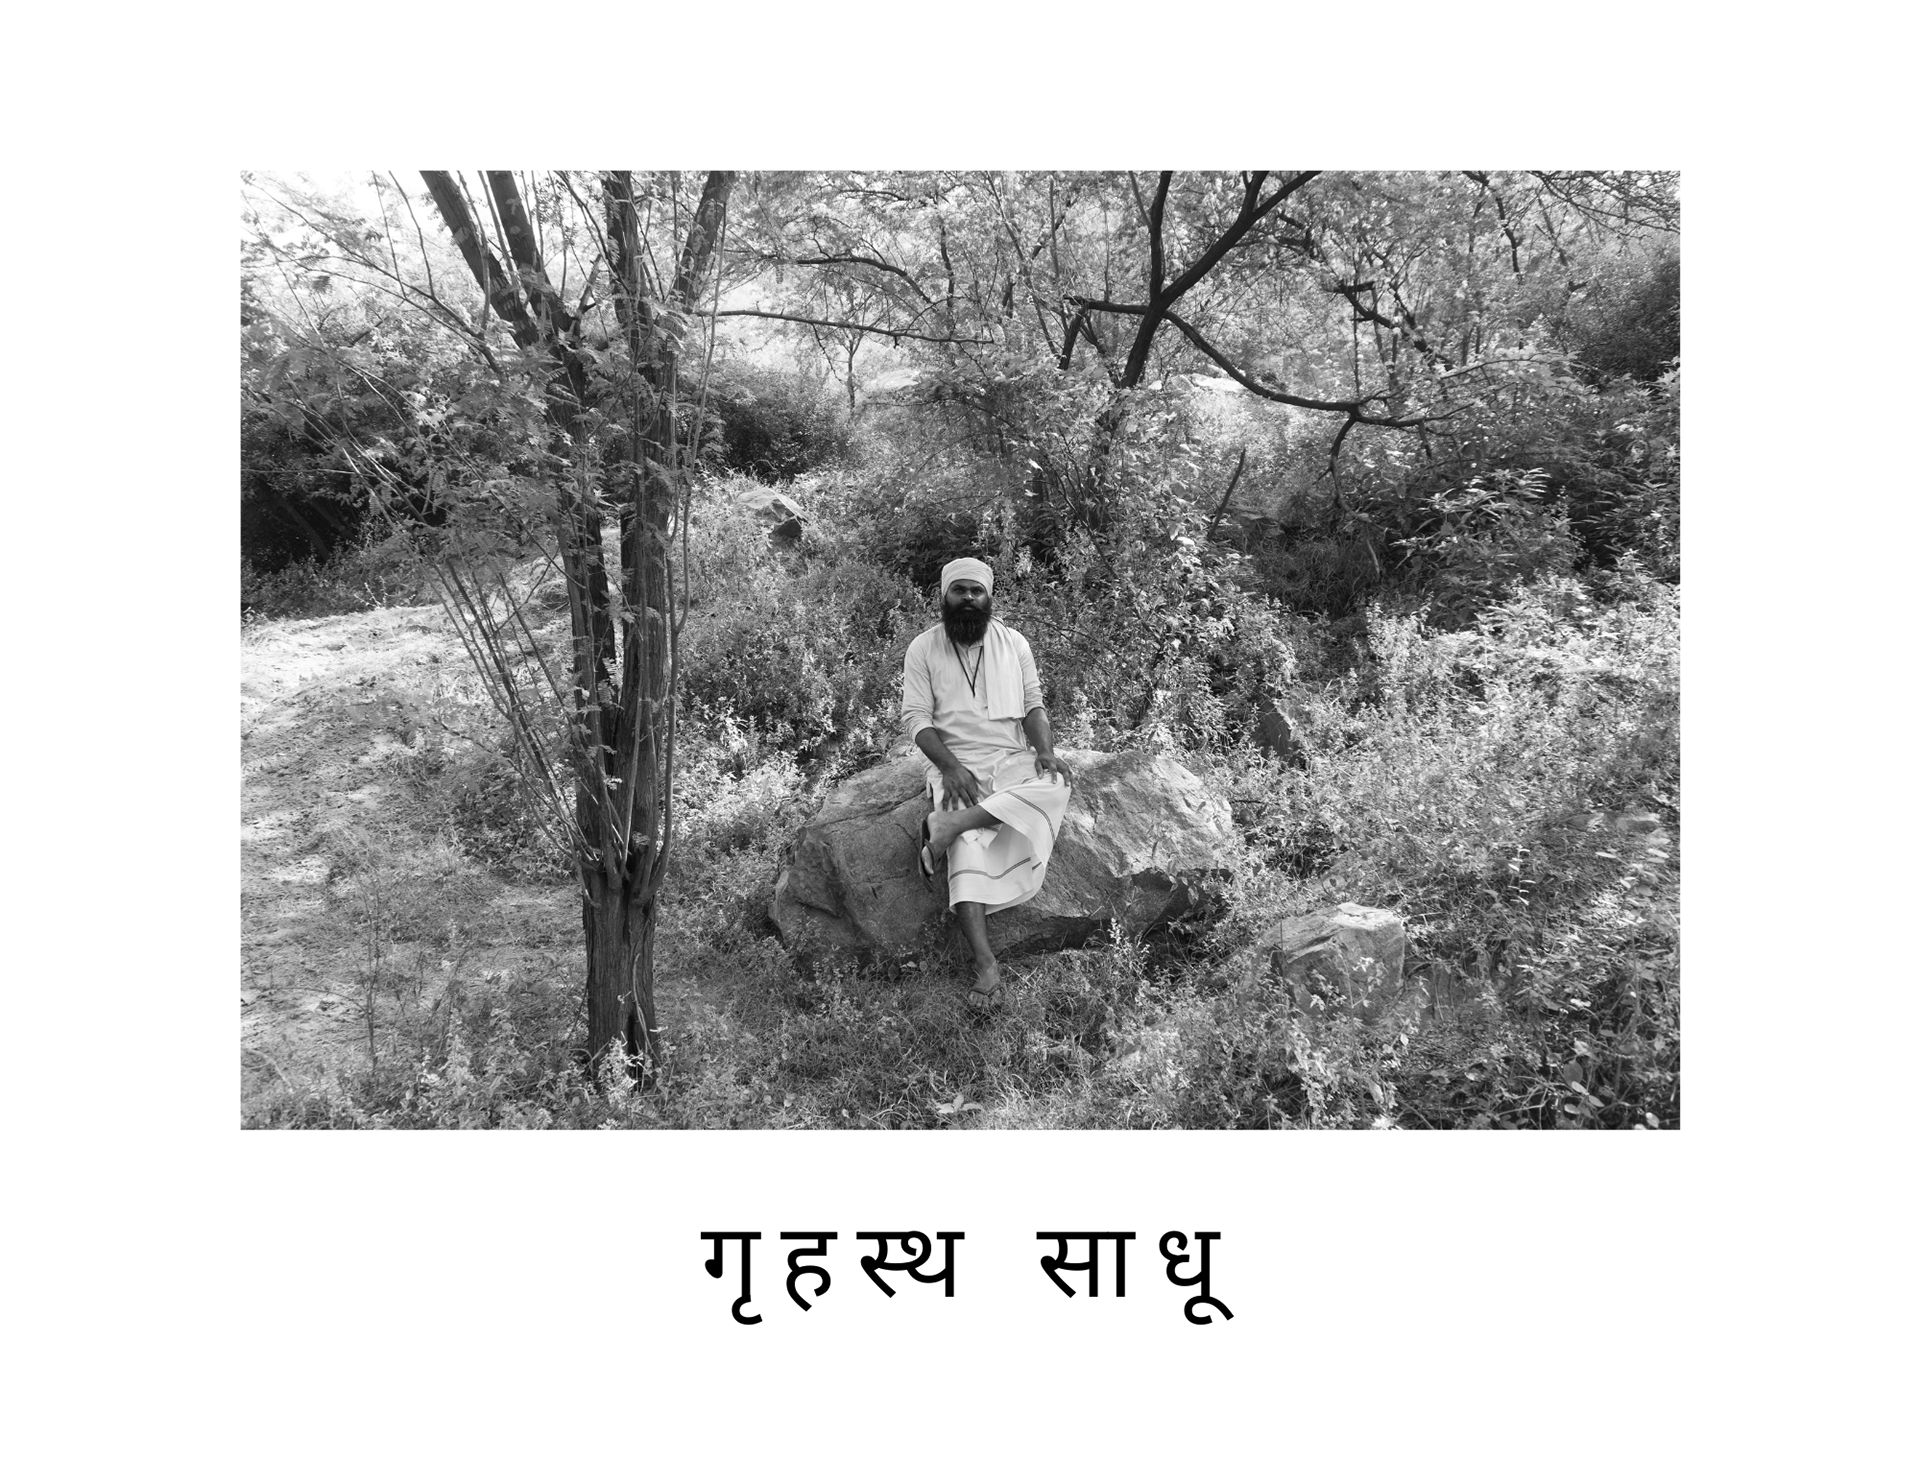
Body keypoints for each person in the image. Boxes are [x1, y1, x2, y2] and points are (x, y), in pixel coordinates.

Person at [900, 557, 1074, 1015]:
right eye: (959, 590)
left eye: (976, 591)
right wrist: (951, 768)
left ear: (989, 596)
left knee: (1056, 783)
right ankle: (986, 964)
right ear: (944, 595)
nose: (969, 599)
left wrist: (1044, 751)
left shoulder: (1014, 643)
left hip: (1011, 758)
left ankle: (950, 824)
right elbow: (916, 719)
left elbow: (1033, 706)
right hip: (957, 763)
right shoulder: (923, 648)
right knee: (968, 849)